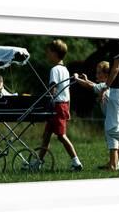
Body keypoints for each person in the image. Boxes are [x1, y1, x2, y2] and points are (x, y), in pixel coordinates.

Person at [37, 39, 83, 171]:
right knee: (46, 135)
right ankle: (38, 162)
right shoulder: (65, 69)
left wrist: (48, 98)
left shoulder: (54, 70)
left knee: (61, 135)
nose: (47, 55)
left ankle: (76, 162)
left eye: (49, 52)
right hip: (63, 104)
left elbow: (53, 87)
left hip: (57, 105)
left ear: (55, 53)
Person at [74, 61, 119, 170]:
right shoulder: (106, 86)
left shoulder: (105, 86)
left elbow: (91, 86)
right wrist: (86, 80)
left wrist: (77, 79)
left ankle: (113, 164)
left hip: (112, 117)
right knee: (113, 137)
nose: (96, 75)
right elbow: (94, 85)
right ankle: (114, 163)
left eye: (99, 73)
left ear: (106, 75)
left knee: (111, 135)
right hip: (116, 116)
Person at [103, 42, 119, 170]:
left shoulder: (118, 43)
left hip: (117, 90)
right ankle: (114, 163)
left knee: (111, 128)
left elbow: (116, 68)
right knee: (113, 126)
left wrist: (105, 86)